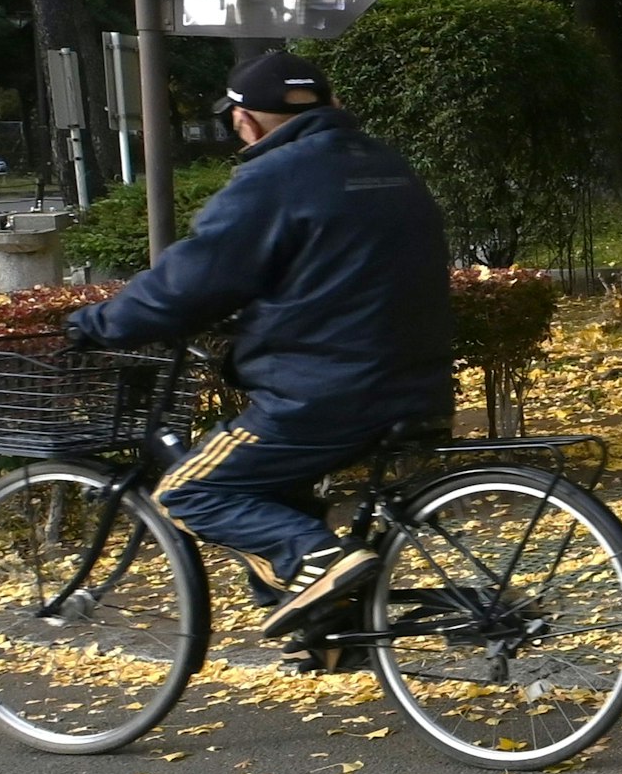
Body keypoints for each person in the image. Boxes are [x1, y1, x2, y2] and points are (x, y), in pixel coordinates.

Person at [68, 49, 456, 631]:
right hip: (416, 379)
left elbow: (190, 281)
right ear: (334, 104)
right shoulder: (388, 165)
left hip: (324, 393)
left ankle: (316, 557)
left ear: (243, 123)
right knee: (273, 491)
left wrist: (96, 325)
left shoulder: (274, 177)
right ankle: (331, 634)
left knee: (188, 491)